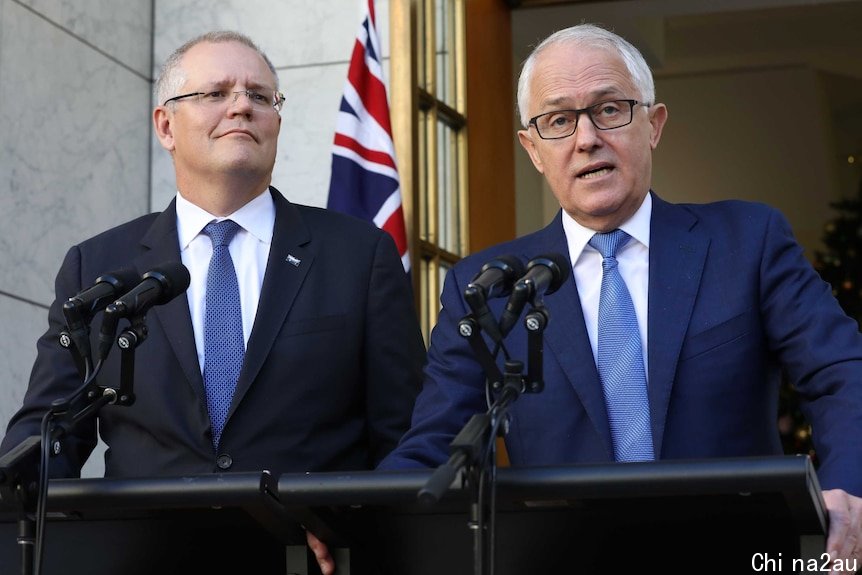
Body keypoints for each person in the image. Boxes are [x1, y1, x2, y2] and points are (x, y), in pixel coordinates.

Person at [363, 23, 862, 574]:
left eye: (609, 109)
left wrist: (850, 489)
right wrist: (350, 521)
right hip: (564, 559)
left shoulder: (748, 241)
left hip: (741, 553)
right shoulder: (487, 286)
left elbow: (842, 371)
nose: (586, 139)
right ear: (532, 149)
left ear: (653, 124)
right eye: (558, 120)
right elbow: (435, 440)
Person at [0, 30, 425, 569]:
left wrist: (364, 530)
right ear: (165, 126)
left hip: (305, 558)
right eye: (216, 93)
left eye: (259, 96)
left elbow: (406, 432)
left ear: (276, 121)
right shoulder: (100, 265)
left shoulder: (358, 256)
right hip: (143, 556)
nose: (242, 106)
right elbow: (51, 429)